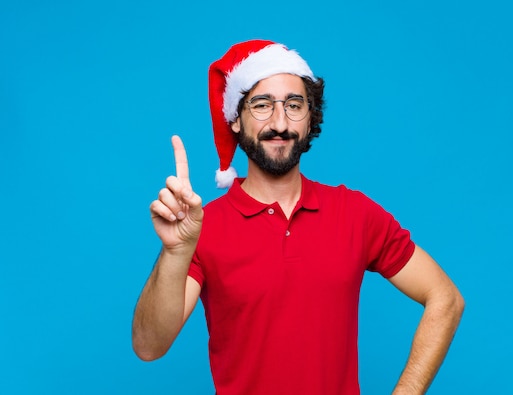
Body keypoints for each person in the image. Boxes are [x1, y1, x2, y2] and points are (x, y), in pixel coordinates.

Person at [132, 39, 464, 395]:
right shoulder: (204, 228)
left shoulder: (354, 213)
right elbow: (149, 346)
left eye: (294, 105)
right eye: (262, 105)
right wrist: (175, 251)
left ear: (310, 119)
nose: (280, 122)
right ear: (235, 121)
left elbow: (445, 298)